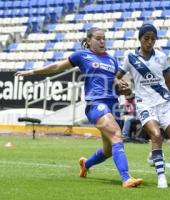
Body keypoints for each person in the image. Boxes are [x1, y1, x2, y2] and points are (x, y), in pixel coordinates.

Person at [15, 27, 143, 188]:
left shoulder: (112, 60)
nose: (102, 41)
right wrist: (31, 72)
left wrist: (125, 88)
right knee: (117, 135)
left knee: (109, 150)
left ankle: (85, 164)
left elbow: (116, 83)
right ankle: (126, 179)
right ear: (89, 40)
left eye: (104, 38)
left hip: (114, 105)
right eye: (98, 38)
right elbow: (56, 67)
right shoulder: (82, 56)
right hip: (96, 105)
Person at [115, 23, 170, 189]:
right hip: (145, 104)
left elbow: (168, 81)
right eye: (146, 38)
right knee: (156, 136)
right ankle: (161, 177)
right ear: (140, 39)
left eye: (153, 39)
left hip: (164, 103)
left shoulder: (162, 57)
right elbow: (117, 77)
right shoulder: (130, 58)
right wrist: (123, 86)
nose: (149, 42)